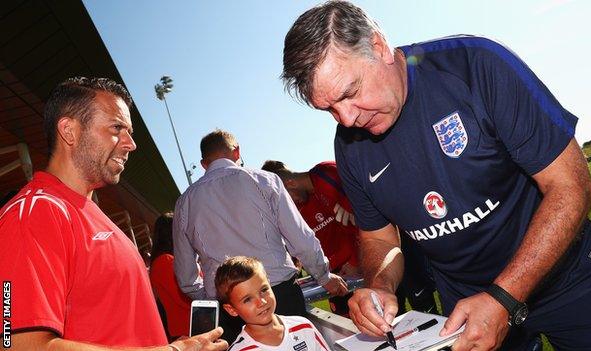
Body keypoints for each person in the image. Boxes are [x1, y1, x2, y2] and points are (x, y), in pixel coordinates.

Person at [281, 2, 591, 351]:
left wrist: (503, 297)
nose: (347, 119)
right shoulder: (350, 146)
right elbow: (380, 239)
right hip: (466, 309)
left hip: (567, 280)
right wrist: (381, 285)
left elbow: (571, 186)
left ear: (379, 47)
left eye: (350, 93)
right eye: (329, 110)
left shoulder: (475, 66)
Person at [0, 77, 227, 351]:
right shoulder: (33, 213)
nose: (130, 143)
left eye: (129, 131)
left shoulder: (93, 214)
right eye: (117, 128)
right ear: (69, 131)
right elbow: (17, 344)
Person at [173, 129, 348, 343]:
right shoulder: (265, 180)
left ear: (203, 164)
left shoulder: (185, 203)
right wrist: (324, 276)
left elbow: (185, 276)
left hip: (229, 306)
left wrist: (213, 297)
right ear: (236, 152)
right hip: (277, 293)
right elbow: (300, 238)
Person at [261, 160, 360, 315]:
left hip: (360, 265)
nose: (289, 204)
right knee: (347, 321)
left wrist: (354, 261)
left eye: (286, 198)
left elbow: (362, 222)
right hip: (336, 274)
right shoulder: (295, 211)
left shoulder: (324, 176)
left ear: (290, 184)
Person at [215, 256, 331, 351]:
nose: (262, 302)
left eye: (264, 290)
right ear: (231, 310)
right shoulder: (240, 349)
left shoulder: (303, 327)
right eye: (247, 299)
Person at [150, 212, 195, 340]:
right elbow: (183, 296)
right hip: (188, 328)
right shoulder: (166, 261)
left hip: (185, 328)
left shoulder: (164, 260)